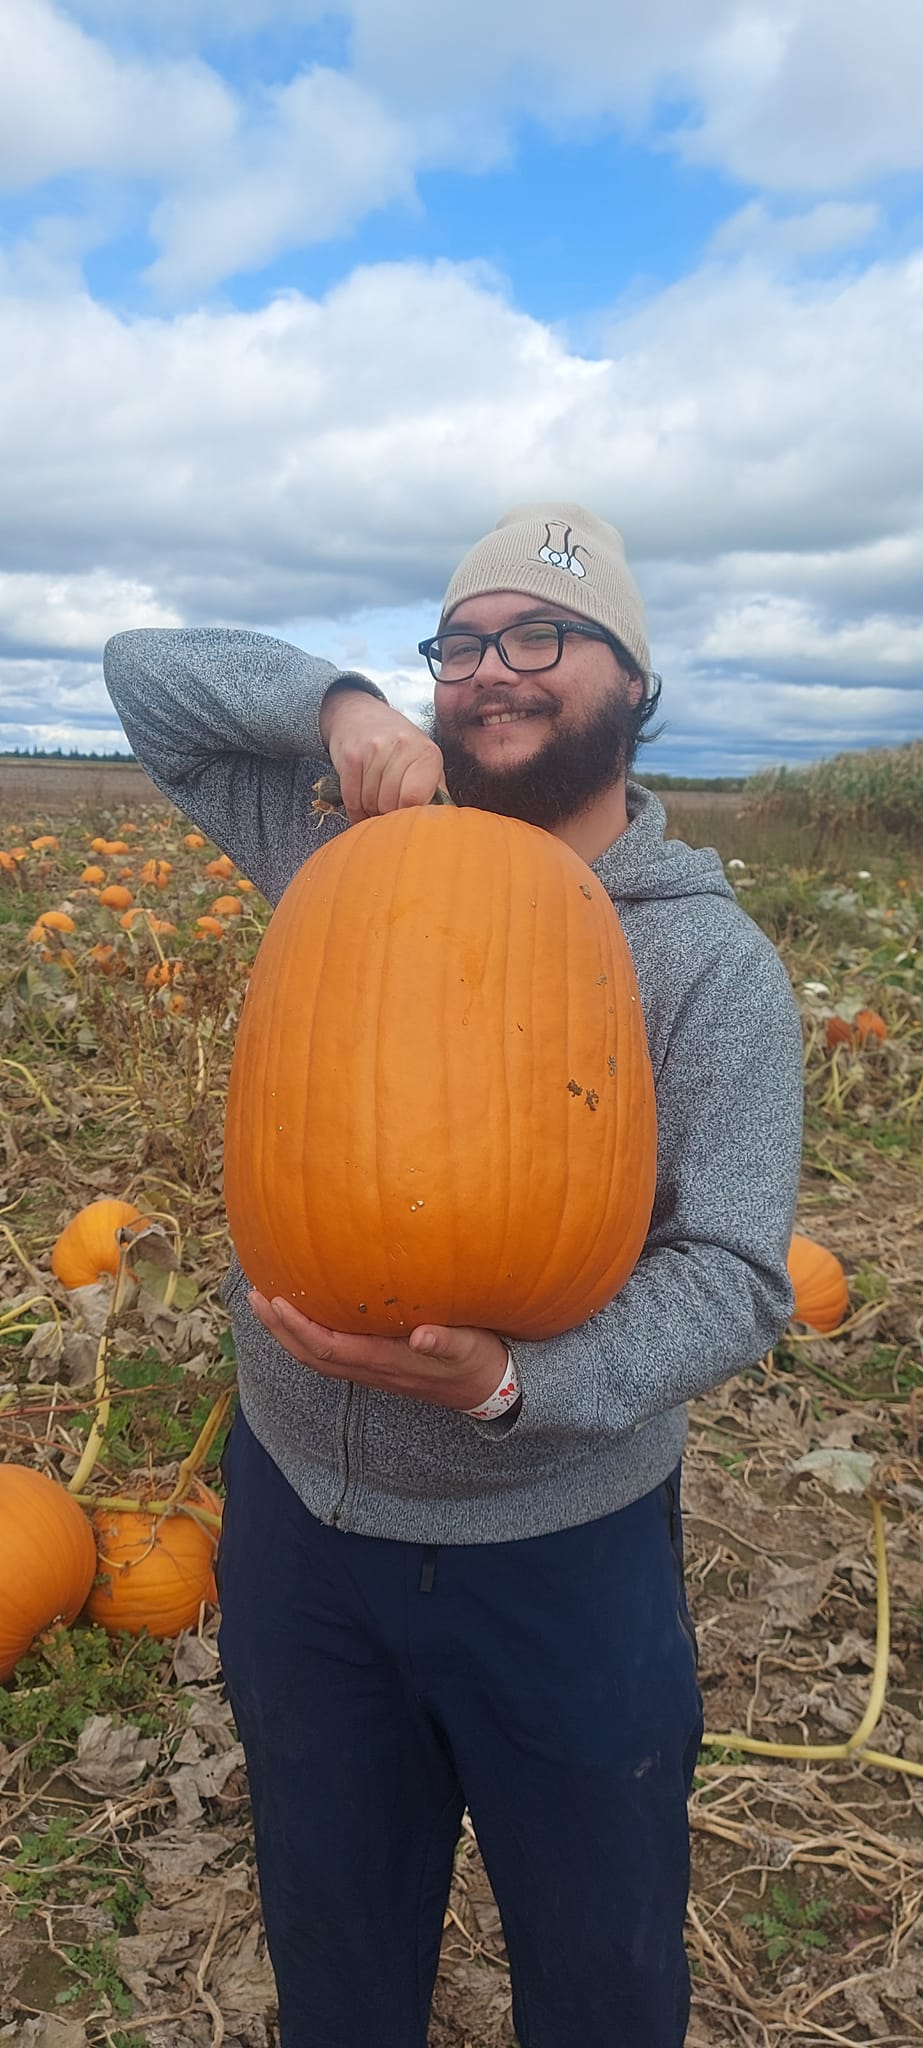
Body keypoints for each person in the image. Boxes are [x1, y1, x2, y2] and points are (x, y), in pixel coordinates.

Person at [103, 502, 803, 2048]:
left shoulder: (704, 963)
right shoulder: (349, 851)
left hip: (557, 1548)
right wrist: (333, 703)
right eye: (462, 644)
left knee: (602, 1976)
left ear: (630, 676)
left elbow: (742, 1274)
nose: (493, 673)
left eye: (543, 636)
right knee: (336, 1951)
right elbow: (143, 673)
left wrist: (513, 1387)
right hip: (302, 1525)